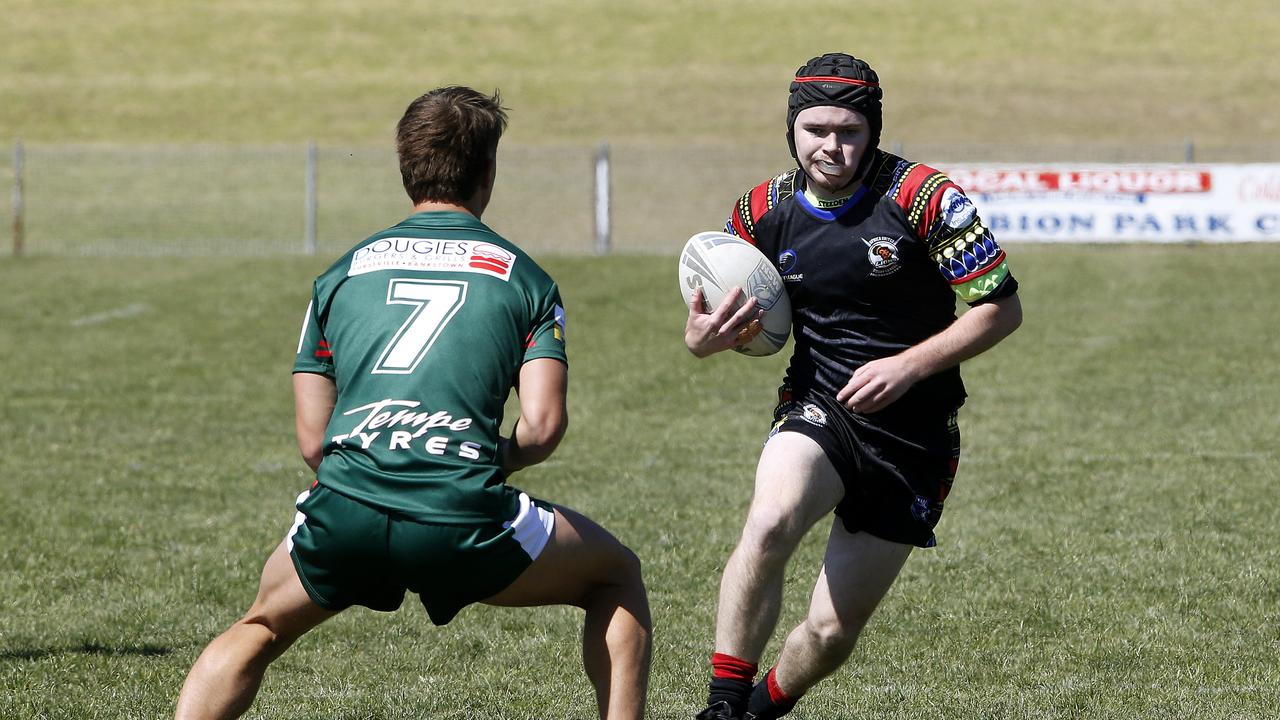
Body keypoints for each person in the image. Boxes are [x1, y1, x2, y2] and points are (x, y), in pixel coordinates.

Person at [175, 86, 651, 720]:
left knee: (259, 628)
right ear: (488, 172)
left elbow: (315, 443)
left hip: (347, 505)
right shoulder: (527, 279)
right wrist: (469, 462)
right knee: (615, 574)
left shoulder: (339, 276)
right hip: (463, 514)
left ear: (406, 168)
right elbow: (541, 428)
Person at [684, 53, 1022, 720]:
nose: (830, 147)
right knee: (772, 518)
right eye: (815, 130)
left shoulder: (925, 199)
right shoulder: (761, 211)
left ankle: (759, 708)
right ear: (791, 130)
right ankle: (722, 706)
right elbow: (710, 318)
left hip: (913, 436)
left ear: (873, 132)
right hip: (820, 404)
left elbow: (1000, 308)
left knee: (832, 633)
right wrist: (701, 339)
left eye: (849, 132)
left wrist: (909, 365)